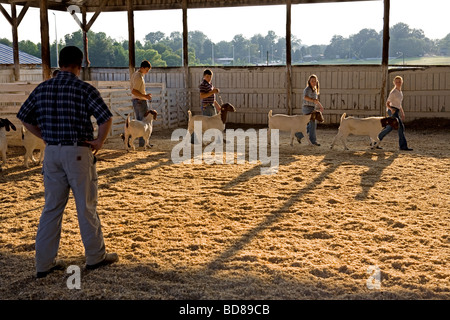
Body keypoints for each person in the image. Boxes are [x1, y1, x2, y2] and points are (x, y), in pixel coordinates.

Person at [17, 46, 118, 279]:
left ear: (60, 63)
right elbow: (106, 117)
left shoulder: (42, 88)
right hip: (78, 151)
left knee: (51, 208)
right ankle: (95, 256)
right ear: (78, 65)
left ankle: (44, 264)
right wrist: (99, 141)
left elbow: (23, 117)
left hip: (52, 152)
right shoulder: (83, 89)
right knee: (85, 206)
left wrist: (44, 136)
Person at [378, 76, 413, 151]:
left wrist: (402, 112)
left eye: (399, 82)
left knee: (389, 128)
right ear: (394, 83)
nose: (398, 83)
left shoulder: (400, 92)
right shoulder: (393, 92)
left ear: (402, 82)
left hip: (396, 110)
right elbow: (387, 103)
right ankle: (403, 146)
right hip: (392, 110)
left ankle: (375, 141)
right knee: (400, 127)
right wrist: (391, 109)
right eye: (397, 82)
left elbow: (399, 104)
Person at [295, 74, 324, 146]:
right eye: (312, 81)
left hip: (312, 108)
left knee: (311, 125)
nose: (313, 82)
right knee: (313, 124)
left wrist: (320, 106)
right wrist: (313, 101)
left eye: (315, 81)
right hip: (307, 108)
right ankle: (313, 141)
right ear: (309, 81)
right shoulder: (307, 89)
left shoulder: (314, 90)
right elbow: (305, 97)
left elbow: (315, 100)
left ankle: (299, 135)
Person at [130, 60, 153, 147]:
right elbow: (134, 91)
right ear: (142, 68)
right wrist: (145, 96)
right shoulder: (138, 77)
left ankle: (143, 142)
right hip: (140, 101)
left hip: (138, 100)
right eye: (146, 70)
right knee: (144, 122)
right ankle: (144, 143)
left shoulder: (137, 75)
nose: (147, 72)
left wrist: (145, 96)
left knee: (140, 122)